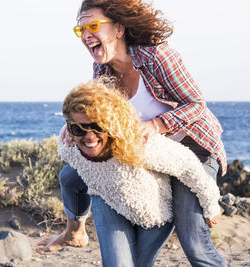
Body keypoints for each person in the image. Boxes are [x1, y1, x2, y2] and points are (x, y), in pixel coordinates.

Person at [37, 0, 227, 266]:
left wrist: (156, 125)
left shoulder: (156, 57)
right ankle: (75, 231)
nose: (86, 35)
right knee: (70, 175)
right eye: (81, 30)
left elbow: (196, 105)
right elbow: (96, 112)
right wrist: (72, 129)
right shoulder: (101, 70)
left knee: (194, 240)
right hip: (147, 155)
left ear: (118, 29)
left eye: (93, 25)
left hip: (193, 149)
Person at [46, 79, 221, 266]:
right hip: (108, 201)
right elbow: (68, 180)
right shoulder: (68, 146)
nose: (89, 136)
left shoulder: (139, 145)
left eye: (97, 127)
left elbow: (189, 166)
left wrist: (210, 205)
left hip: (154, 217)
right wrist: (74, 227)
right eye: (79, 128)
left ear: (111, 123)